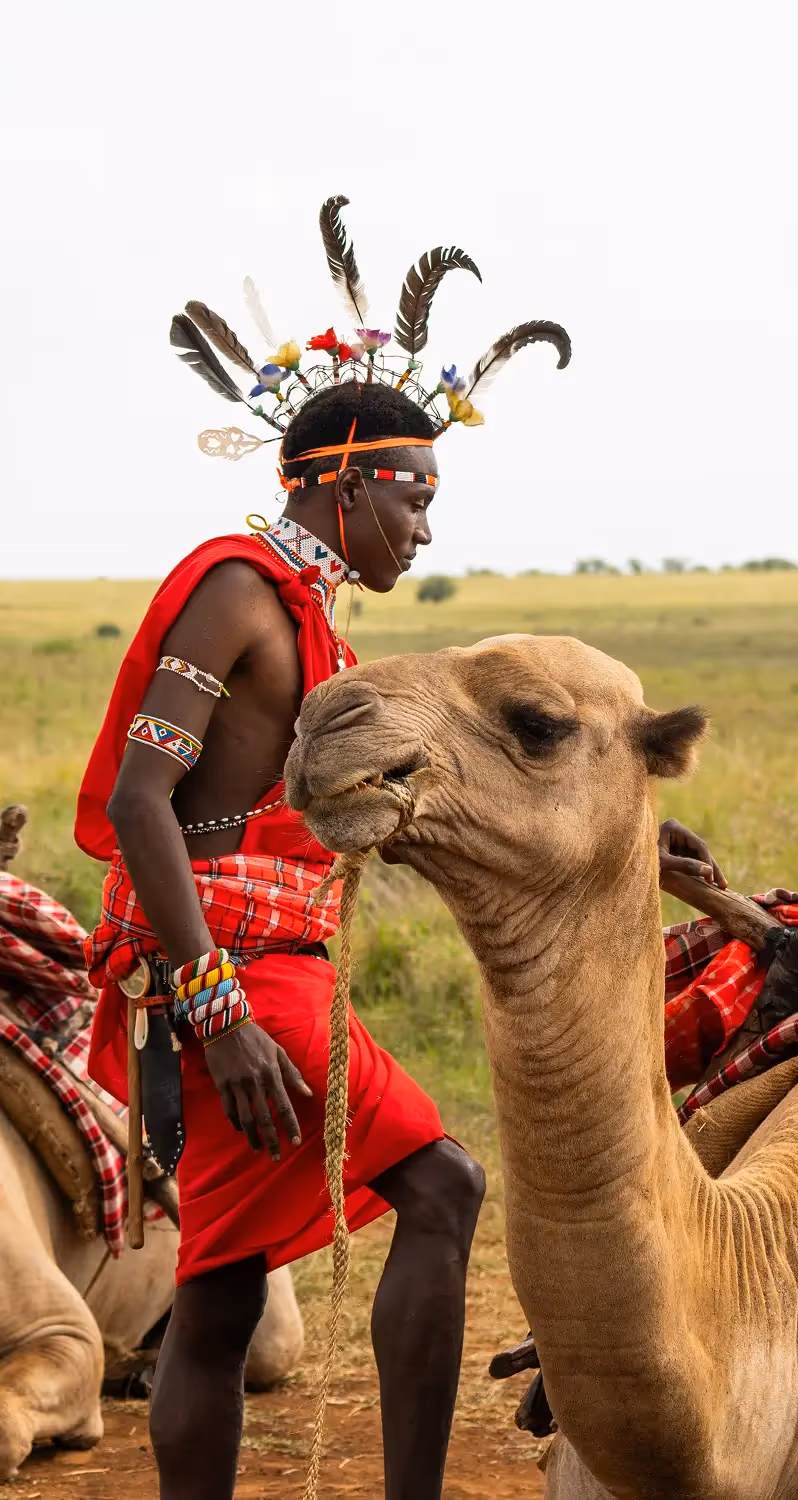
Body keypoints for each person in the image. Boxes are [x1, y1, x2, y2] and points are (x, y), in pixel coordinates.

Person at [75, 196, 572, 1500]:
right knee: (448, 1187)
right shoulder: (236, 589)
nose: (425, 529)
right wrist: (216, 1010)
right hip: (241, 972)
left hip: (275, 962)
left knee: (224, 1293)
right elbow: (141, 801)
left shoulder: (318, 623)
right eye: (413, 497)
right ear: (342, 478)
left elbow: (362, 816)